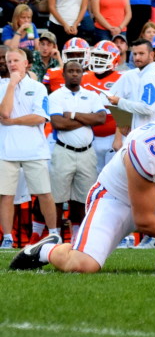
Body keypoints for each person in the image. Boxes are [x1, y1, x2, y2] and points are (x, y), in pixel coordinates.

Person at [10, 89, 155, 272]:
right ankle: (45, 250)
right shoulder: (147, 147)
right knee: (83, 265)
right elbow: (144, 221)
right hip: (115, 200)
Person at [0, 49, 58, 249]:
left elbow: (39, 118)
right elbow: (4, 112)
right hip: (6, 150)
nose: (12, 64)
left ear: (26, 63)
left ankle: (53, 233)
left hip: (34, 150)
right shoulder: (1, 86)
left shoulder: (39, 87)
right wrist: (12, 85)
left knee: (44, 193)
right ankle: (8, 238)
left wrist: (13, 121)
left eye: (16, 60)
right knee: (6, 195)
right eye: (9, 61)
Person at [48, 61, 107, 243]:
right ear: (64, 74)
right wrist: (87, 119)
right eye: (71, 71)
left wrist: (72, 115)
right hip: (63, 151)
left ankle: (77, 237)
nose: (75, 74)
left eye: (78, 71)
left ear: (82, 74)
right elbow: (58, 123)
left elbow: (101, 117)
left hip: (87, 153)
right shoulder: (56, 96)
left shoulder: (92, 95)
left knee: (82, 198)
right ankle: (55, 236)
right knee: (57, 197)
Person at [107, 39, 155, 130]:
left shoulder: (150, 76)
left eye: (141, 53)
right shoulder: (149, 74)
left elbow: (147, 108)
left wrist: (119, 101)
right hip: (150, 131)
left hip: (149, 134)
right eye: (135, 54)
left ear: (151, 55)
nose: (137, 58)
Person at [82, 40, 123, 173]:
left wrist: (119, 138)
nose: (99, 60)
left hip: (113, 135)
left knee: (113, 176)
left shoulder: (122, 78)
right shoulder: (84, 77)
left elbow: (124, 110)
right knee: (91, 177)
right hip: (89, 136)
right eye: (96, 56)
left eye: (104, 57)